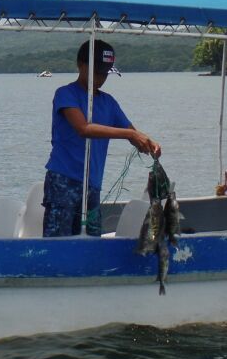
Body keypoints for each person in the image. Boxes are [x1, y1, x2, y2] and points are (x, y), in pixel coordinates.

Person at [43, 40, 161, 237]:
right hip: (63, 181)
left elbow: (132, 133)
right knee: (58, 240)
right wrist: (130, 135)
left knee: (92, 240)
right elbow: (83, 128)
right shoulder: (66, 94)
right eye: (96, 71)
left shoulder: (108, 102)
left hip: (92, 186)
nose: (100, 78)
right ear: (80, 64)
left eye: (104, 73)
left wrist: (148, 142)